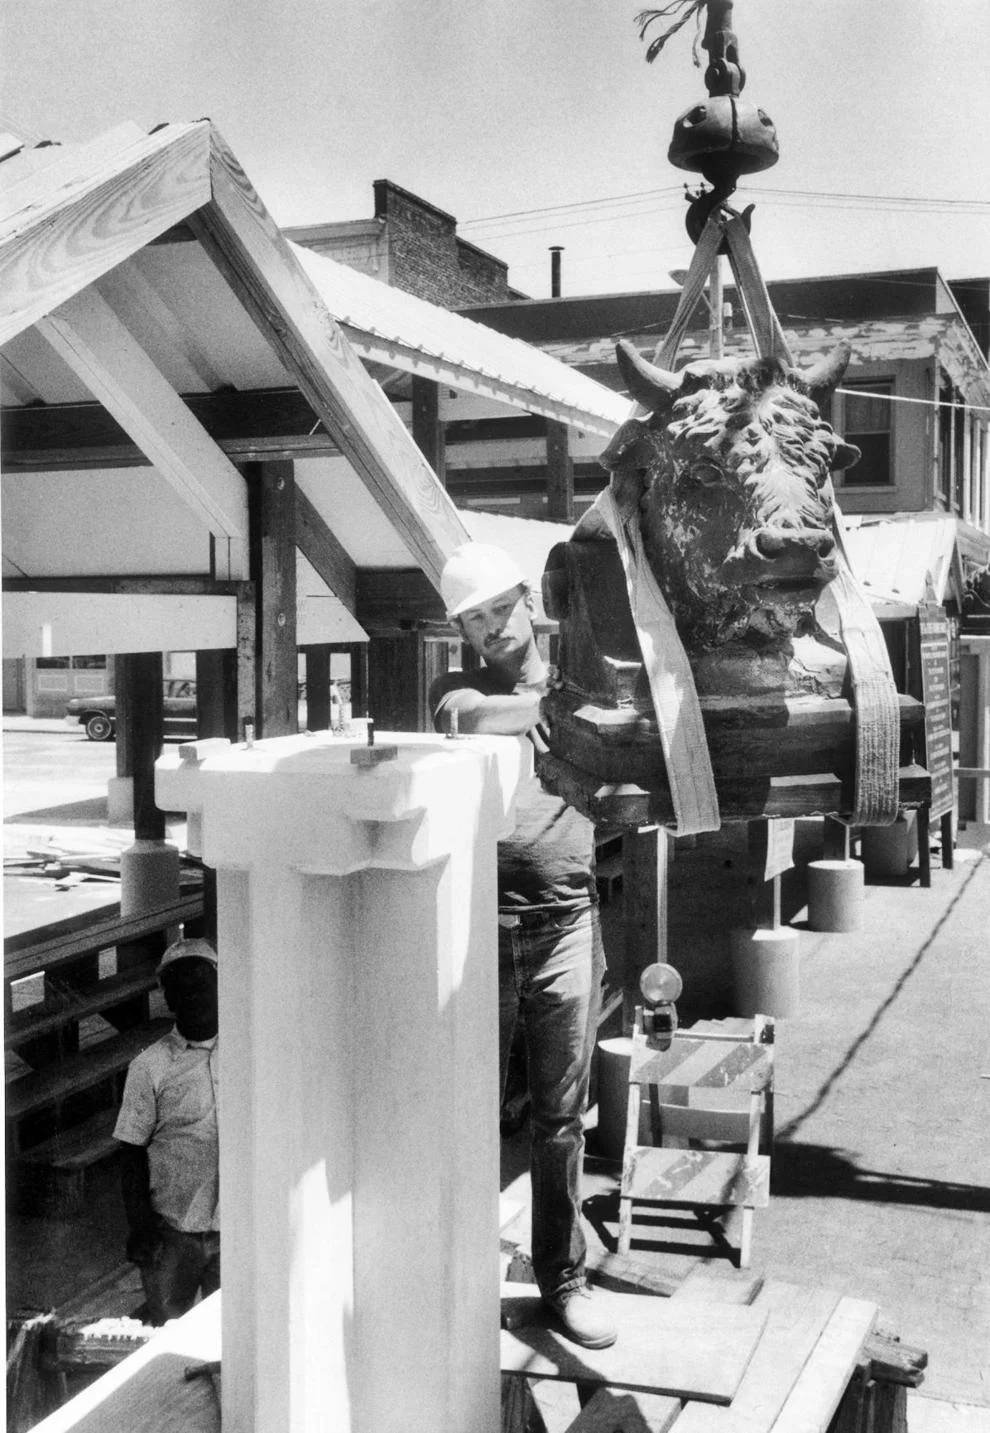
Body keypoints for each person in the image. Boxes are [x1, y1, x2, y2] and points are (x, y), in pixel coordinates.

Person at [430, 542, 616, 1350]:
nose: (490, 628)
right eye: (472, 620)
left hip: (568, 921)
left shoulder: (586, 678)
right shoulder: (457, 688)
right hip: (479, 926)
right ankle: (456, 1276)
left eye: (499, 608)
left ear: (526, 601)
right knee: (465, 1112)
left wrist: (581, 701)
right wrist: (559, 702)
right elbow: (467, 717)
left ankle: (561, 1278)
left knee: (560, 1119)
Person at [114, 936, 220, 1325]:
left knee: (233, 1340)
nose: (193, 997)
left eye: (201, 985)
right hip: (173, 1233)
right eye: (181, 989)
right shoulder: (149, 1067)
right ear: (168, 998)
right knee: (166, 1339)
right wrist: (142, 1227)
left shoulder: (249, 1048)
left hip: (236, 1229)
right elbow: (131, 1151)